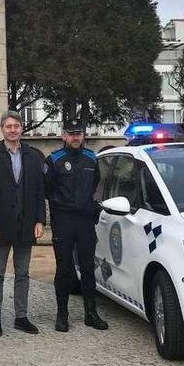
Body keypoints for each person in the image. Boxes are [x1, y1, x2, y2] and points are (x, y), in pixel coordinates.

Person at [0, 111, 46, 336]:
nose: (13, 130)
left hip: (26, 224)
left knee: (23, 273)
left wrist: (40, 220)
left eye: (16, 126)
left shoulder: (33, 156)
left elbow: (39, 191)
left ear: (21, 128)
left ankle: (21, 316)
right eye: (8, 126)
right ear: (2, 129)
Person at [44, 119, 108, 332]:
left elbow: (95, 184)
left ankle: (91, 313)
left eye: (78, 133)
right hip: (63, 221)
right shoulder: (54, 160)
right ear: (63, 135)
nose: (75, 137)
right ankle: (62, 315)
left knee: (88, 268)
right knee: (63, 269)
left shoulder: (91, 158)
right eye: (71, 134)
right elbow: (47, 189)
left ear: (83, 135)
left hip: (85, 221)